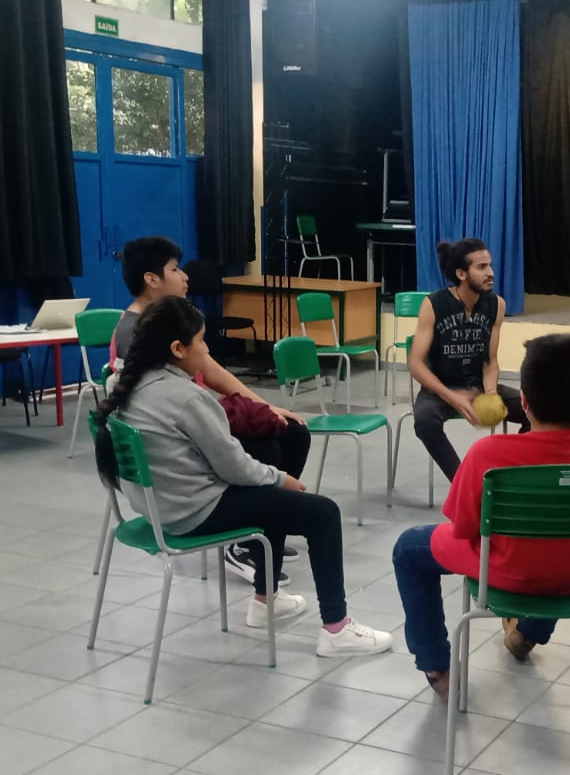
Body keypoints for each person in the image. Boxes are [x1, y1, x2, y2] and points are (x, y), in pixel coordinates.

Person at [94, 295, 392, 658]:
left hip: (158, 507)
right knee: (321, 511)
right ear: (177, 348)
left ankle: (268, 600)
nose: (206, 349)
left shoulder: (123, 383)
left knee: (272, 494)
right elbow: (232, 466)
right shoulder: (186, 397)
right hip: (192, 512)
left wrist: (273, 479)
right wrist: (281, 478)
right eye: (201, 342)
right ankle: (337, 630)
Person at [392, 333, 570, 698]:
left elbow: (465, 529)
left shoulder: (488, 456)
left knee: (408, 549)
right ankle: (527, 634)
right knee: (563, 540)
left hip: (515, 573)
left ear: (524, 403)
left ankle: (438, 668)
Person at [111, 236, 311, 579]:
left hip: (198, 417)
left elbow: (211, 370)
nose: (185, 276)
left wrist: (266, 406)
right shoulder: (139, 331)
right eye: (175, 269)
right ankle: (246, 539)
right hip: (181, 439)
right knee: (268, 446)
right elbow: (165, 408)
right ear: (151, 279)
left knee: (290, 429)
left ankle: (263, 526)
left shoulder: (172, 318)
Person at [408, 238, 531, 482]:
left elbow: (490, 360)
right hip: (440, 388)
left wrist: (492, 392)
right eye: (482, 267)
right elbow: (416, 364)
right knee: (424, 422)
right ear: (461, 273)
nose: (491, 273)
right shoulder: (434, 304)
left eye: (490, 265)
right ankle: (464, 483)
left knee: (536, 410)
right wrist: (450, 395)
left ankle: (514, 476)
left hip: (478, 385)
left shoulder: (496, 305)